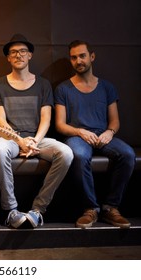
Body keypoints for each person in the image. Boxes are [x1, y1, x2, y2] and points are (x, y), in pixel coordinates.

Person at [0, 34, 74, 229]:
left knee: (66, 153)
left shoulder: (43, 84)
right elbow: (1, 121)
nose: (18, 55)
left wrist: (34, 141)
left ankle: (38, 210)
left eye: (22, 51)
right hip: (11, 138)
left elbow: (46, 119)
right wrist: (20, 141)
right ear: (8, 58)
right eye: (13, 52)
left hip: (37, 139)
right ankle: (11, 210)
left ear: (30, 56)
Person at [54, 40, 135, 229]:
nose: (78, 60)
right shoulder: (63, 89)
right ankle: (90, 209)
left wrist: (110, 132)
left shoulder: (107, 87)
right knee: (80, 155)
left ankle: (110, 208)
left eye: (82, 55)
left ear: (92, 56)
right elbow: (60, 124)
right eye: (74, 57)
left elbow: (115, 120)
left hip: (102, 136)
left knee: (128, 154)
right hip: (77, 136)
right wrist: (80, 131)